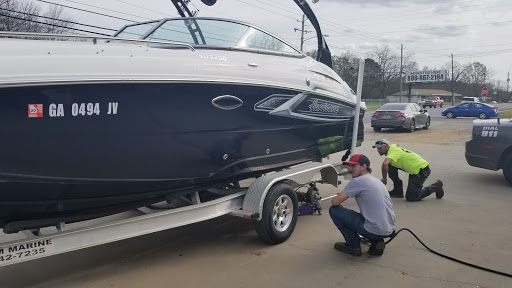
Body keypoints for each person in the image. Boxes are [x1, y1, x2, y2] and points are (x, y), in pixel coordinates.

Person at [329, 154, 396, 256]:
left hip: (374, 229)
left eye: (353, 166)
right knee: (363, 214)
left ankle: (353, 246)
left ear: (364, 167)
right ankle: (376, 241)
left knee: (334, 210)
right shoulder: (377, 181)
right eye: (350, 166)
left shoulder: (358, 181)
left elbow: (335, 202)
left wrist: (339, 198)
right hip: (388, 228)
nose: (350, 169)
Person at [373, 139, 444, 201]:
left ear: (387, 147)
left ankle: (436, 186)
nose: (378, 150)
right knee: (390, 165)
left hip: (421, 170)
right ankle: (398, 191)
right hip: (414, 168)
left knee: (411, 197)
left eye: (380, 148)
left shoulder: (393, 152)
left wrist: (384, 179)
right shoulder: (393, 147)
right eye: (377, 148)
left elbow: (385, 164)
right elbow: (396, 144)